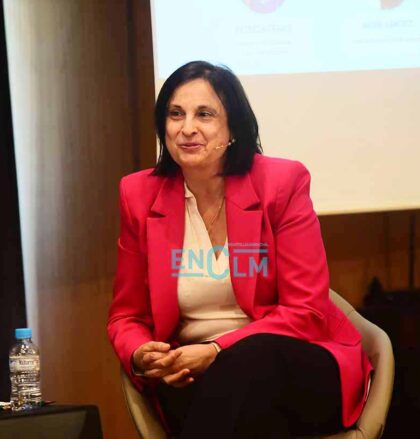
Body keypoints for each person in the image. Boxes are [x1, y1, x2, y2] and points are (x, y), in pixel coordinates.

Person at [107, 61, 373, 438]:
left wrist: (217, 350)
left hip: (293, 364)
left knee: (249, 362)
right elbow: (126, 315)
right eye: (175, 114)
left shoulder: (281, 183)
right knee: (232, 405)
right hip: (194, 372)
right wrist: (141, 353)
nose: (187, 128)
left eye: (204, 114)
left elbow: (306, 312)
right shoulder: (139, 194)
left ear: (233, 128)